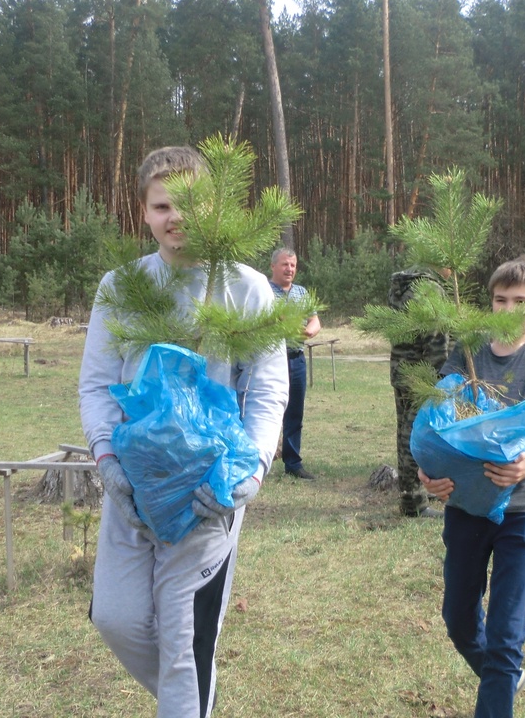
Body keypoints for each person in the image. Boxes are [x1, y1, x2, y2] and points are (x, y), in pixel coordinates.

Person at [79, 146, 289, 718]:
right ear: (144, 212)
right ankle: (192, 700)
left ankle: (186, 699)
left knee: (183, 643)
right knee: (115, 619)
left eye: (187, 204)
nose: (175, 217)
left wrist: (250, 470)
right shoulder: (121, 286)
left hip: (207, 491)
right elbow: (97, 384)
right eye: (162, 205)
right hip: (133, 481)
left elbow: (267, 387)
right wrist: (106, 461)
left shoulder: (245, 289)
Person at [418, 256, 525, 717]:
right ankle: (505, 676)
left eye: (519, 302)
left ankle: (502, 677)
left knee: (506, 637)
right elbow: (438, 423)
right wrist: (429, 473)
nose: (507, 309)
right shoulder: (468, 350)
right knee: (460, 622)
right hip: (467, 504)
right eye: (499, 300)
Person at [389, 267, 452, 517]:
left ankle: (415, 494)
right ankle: (414, 504)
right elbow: (436, 344)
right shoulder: (429, 290)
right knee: (415, 439)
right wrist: (440, 383)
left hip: (403, 371)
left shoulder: (404, 285)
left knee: (405, 435)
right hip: (423, 376)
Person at [269, 246, 322, 480]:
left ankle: (292, 463)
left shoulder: (301, 292)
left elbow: (315, 319)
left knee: (294, 413)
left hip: (296, 360)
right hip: (270, 360)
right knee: (266, 411)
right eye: (284, 264)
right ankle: (255, 463)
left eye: (293, 265)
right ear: (273, 267)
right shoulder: (264, 291)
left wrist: (310, 331)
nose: (289, 269)